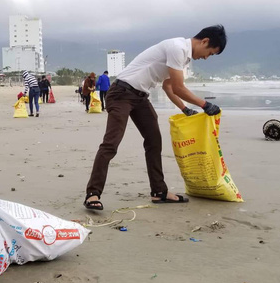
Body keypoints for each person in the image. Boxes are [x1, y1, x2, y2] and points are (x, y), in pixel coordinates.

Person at [83, 25, 227, 210]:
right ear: (205, 41)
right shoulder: (178, 47)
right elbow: (178, 88)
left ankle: (159, 192)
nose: (207, 57)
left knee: (154, 141)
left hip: (140, 96)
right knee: (111, 143)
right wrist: (205, 105)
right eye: (210, 53)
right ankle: (92, 193)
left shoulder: (183, 57)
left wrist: (185, 109)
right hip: (121, 93)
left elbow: (168, 87)